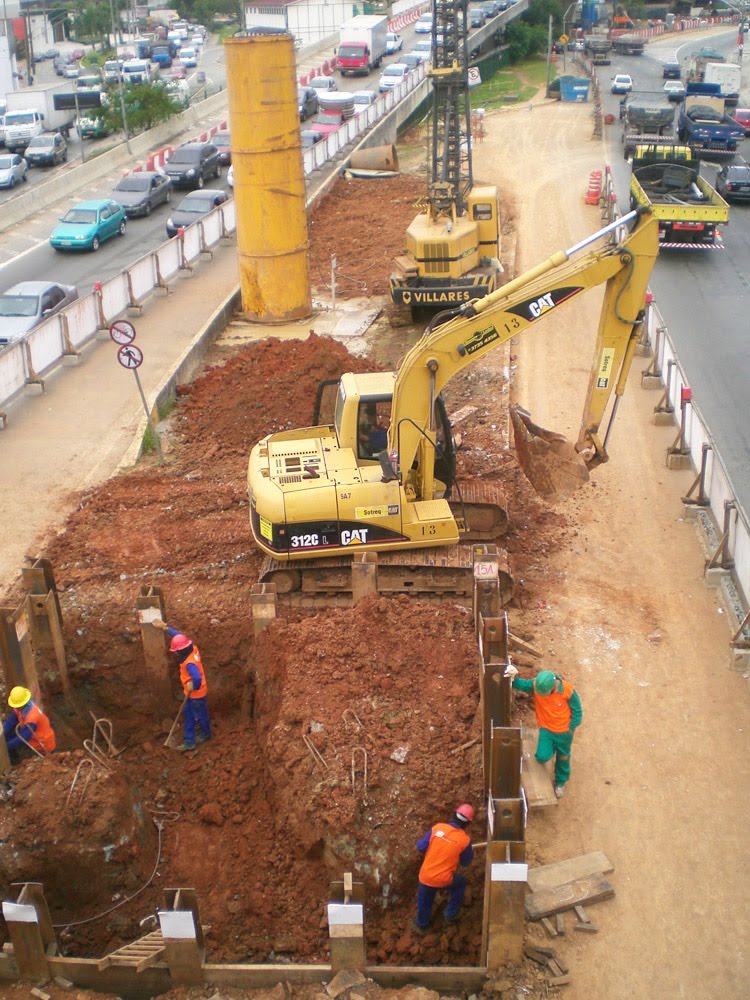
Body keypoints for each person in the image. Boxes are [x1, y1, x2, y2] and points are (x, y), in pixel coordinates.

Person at [507, 667, 582, 798]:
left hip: (564, 733)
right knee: (542, 757)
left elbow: (577, 711)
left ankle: (561, 781)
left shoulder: (567, 690)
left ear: (552, 688)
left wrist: (571, 728)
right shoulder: (537, 685)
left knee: (563, 757)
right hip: (546, 729)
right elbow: (523, 685)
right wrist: (512, 678)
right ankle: (549, 749)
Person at [414, 803, 475, 932]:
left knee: (424, 899)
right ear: (468, 824)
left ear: (453, 815)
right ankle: (450, 914)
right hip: (444, 879)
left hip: (425, 876)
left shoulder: (437, 828)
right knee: (460, 883)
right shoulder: (464, 840)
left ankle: (422, 925)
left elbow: (420, 847)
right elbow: (466, 862)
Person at [153, 621, 211, 752]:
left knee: (199, 714)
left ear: (181, 651)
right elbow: (180, 636)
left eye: (176, 652)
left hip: (196, 694)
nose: (175, 654)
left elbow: (197, 677)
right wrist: (165, 628)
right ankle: (190, 739)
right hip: (192, 693)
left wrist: (193, 686)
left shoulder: (189, 663)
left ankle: (203, 735)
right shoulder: (192, 648)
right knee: (189, 714)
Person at [2, 687, 56, 763]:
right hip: (34, 739)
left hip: (43, 745)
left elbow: (23, 738)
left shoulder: (32, 717)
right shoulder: (20, 708)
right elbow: (10, 722)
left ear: (23, 704)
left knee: (48, 762)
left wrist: (5, 747)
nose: (15, 707)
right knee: (8, 735)